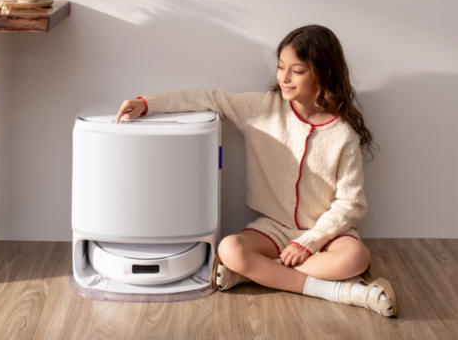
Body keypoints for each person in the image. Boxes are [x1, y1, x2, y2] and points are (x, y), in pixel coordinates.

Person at [115, 24, 400, 317]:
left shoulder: (343, 135)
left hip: (325, 233)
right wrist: (149, 103)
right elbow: (210, 99)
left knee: (356, 257)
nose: (284, 78)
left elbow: (351, 204)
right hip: (274, 228)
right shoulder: (263, 109)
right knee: (230, 249)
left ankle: (255, 273)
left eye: (297, 70)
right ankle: (341, 292)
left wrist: (310, 241)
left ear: (323, 74)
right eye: (280, 67)